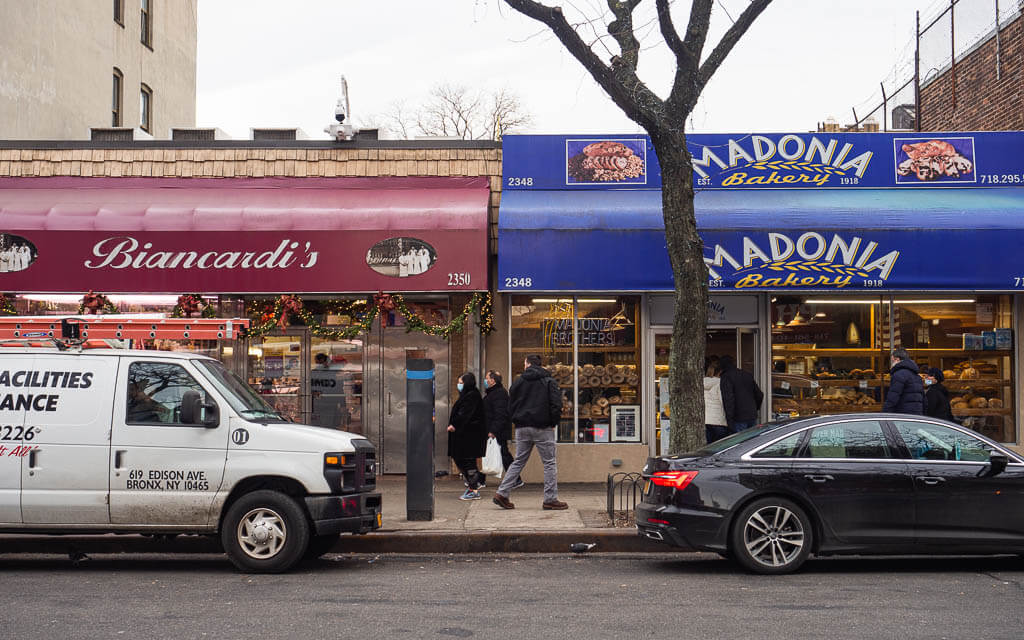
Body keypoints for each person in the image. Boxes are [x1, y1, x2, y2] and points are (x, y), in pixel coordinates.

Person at [492, 355, 567, 511]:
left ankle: (502, 493)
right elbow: (556, 404)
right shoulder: (548, 381)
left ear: (527, 364)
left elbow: (510, 404)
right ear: (540, 365)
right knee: (549, 463)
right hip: (543, 427)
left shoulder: (518, 382)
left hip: (522, 427)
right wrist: (553, 422)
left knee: (518, 460)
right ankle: (550, 499)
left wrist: (516, 420)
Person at [447, 372, 488, 500]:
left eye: (461, 382)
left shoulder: (471, 396)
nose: (458, 385)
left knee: (468, 462)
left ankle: (473, 489)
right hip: (465, 436)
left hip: (469, 436)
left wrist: (455, 425)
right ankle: (473, 486)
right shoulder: (468, 395)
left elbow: (465, 414)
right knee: (463, 461)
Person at [484, 369, 522, 487]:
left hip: (497, 431)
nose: (485, 380)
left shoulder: (499, 394)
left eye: (487, 378)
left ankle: (516, 479)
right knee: (493, 454)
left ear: (492, 380)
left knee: (504, 455)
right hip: (493, 429)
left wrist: (493, 431)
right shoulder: (493, 393)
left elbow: (501, 414)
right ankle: (479, 479)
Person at [719, 355, 763, 432]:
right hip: (751, 414)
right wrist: (755, 408)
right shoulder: (746, 374)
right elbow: (759, 394)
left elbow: (729, 399)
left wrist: (729, 420)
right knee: (753, 441)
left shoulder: (726, 377)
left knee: (740, 442)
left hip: (738, 417)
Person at [883, 348, 924, 415]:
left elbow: (892, 398)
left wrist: (885, 413)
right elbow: (923, 399)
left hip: (904, 415)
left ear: (897, 359)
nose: (891, 363)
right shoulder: (917, 376)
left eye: (892, 360)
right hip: (917, 415)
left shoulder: (898, 375)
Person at [703, 357, 729, 443]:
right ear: (720, 372)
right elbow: (723, 401)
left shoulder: (701, 383)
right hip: (719, 421)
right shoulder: (720, 383)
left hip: (706, 421)